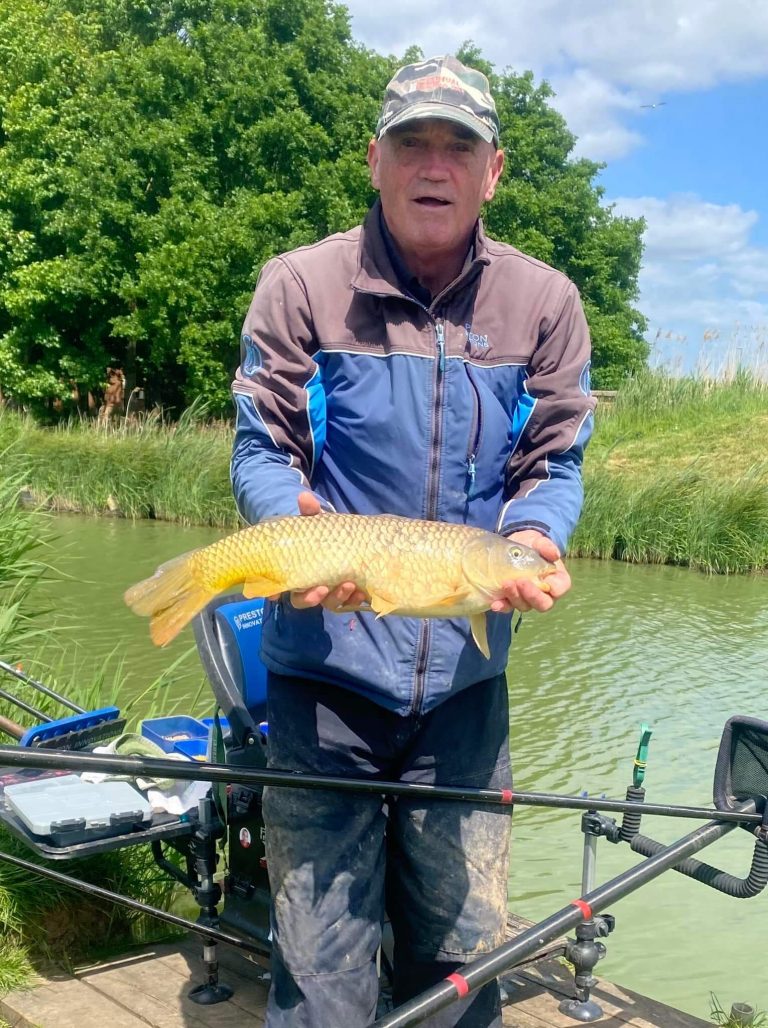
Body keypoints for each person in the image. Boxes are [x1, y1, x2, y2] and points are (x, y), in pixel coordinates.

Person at [231, 54, 595, 1027]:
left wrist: (533, 534)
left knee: (466, 961)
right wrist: (287, 527)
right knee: (319, 969)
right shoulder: (301, 286)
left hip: (465, 704)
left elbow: (553, 460)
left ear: (493, 170)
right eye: (412, 143)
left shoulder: (546, 303)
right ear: (375, 159)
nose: (434, 164)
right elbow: (265, 443)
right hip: (325, 681)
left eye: (457, 145)